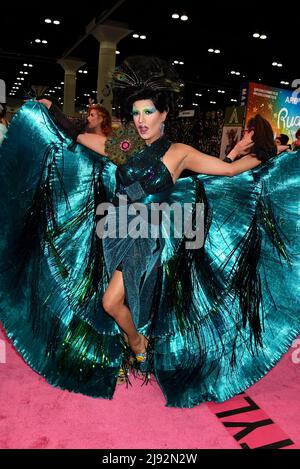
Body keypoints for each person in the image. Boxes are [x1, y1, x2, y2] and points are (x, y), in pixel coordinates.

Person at [0, 56, 299, 408]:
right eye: (137, 113)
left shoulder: (180, 153)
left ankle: (139, 344)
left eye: (148, 113)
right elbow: (81, 139)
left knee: (112, 301)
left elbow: (227, 171)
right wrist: (51, 115)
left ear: (165, 114)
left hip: (148, 234)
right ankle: (135, 346)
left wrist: (267, 161)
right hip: (115, 229)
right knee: (116, 297)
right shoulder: (124, 143)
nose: (141, 121)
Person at [38, 99, 112, 156]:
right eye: (89, 115)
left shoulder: (105, 141)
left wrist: (52, 107)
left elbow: (72, 130)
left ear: (100, 119)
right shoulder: (86, 134)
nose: (88, 118)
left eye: (92, 115)